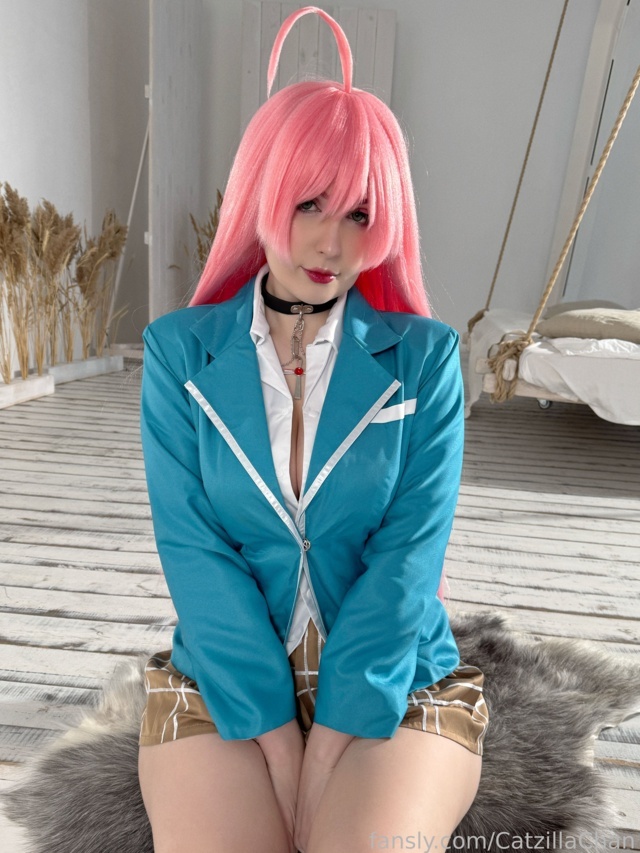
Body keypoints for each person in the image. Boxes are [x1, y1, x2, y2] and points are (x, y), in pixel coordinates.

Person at [137, 7, 489, 853]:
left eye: (361, 213)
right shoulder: (178, 353)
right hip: (224, 673)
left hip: (394, 675)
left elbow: (408, 560)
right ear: (263, 190)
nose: (332, 241)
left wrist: (329, 743)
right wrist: (278, 741)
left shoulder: (427, 359)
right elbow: (195, 552)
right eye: (309, 204)